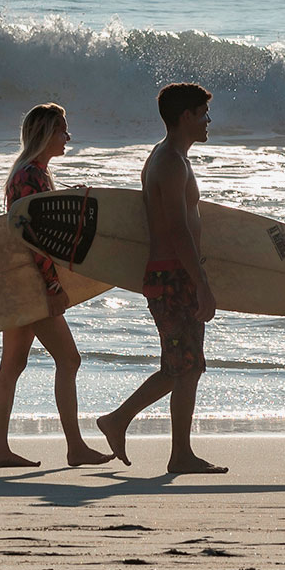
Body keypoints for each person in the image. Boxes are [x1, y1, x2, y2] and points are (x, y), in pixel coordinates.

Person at [97, 82, 226, 475]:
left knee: (186, 364)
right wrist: (201, 282)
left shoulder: (168, 157)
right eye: (203, 113)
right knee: (183, 366)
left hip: (172, 275)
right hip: (172, 277)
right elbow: (176, 231)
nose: (208, 121)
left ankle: (151, 438)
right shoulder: (169, 162)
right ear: (185, 116)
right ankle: (131, 427)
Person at [0, 103, 115, 470]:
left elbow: (40, 227)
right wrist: (52, 286)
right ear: (46, 134)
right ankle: (75, 447)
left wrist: (69, 201)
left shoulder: (31, 174)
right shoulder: (30, 177)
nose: (68, 137)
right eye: (62, 130)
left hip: (18, 282)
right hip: (31, 285)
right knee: (68, 359)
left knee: (12, 365)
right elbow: (34, 238)